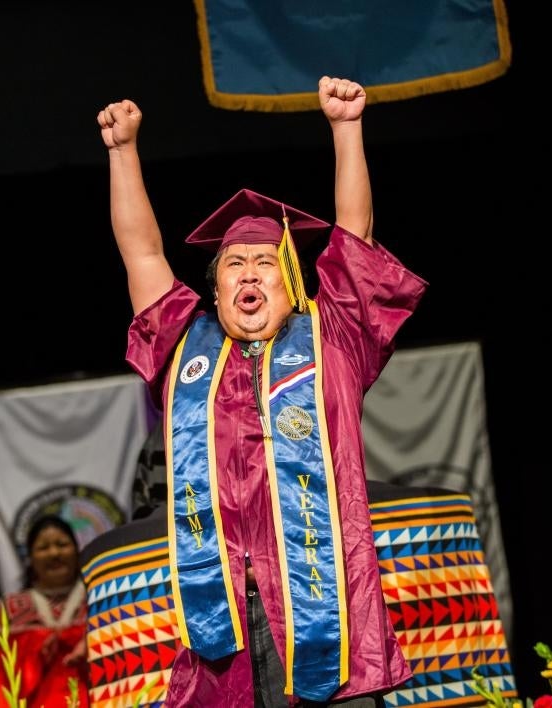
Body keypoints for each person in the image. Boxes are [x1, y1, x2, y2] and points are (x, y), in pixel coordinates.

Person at [97, 76, 427, 706]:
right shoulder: (182, 352)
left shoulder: (333, 341)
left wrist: (346, 129)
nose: (249, 273)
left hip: (334, 615)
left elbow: (353, 234)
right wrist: (122, 151)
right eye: (232, 265)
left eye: (265, 262)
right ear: (214, 291)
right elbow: (140, 252)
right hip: (227, 631)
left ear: (290, 279)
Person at [0, 514, 90, 708]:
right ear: (30, 557)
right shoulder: (8, 610)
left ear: (77, 550)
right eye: (43, 547)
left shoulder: (97, 598)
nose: (54, 553)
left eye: (62, 544)